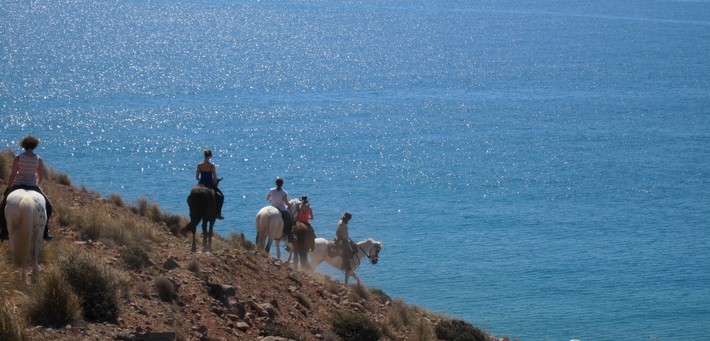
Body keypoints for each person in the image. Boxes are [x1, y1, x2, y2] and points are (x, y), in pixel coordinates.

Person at [0, 135, 53, 241]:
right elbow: (41, 176)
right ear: (34, 146)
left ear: (23, 145)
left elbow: (13, 175)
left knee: (2, 208)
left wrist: (8, 188)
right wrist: (35, 183)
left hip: (18, 184)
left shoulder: (18, 158)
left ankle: (4, 232)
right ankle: (45, 232)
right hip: (33, 185)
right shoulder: (38, 159)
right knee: (48, 207)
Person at [195, 149, 224, 219]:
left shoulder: (199, 165)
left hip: (201, 184)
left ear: (204, 156)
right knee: (221, 196)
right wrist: (215, 182)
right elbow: (214, 178)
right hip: (209, 184)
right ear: (210, 156)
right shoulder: (212, 166)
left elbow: (197, 177)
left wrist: (200, 180)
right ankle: (218, 213)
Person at [266, 177, 293, 241]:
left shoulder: (271, 190)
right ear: (282, 184)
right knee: (289, 219)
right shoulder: (284, 192)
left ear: (276, 183)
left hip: (272, 207)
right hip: (281, 209)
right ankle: (289, 235)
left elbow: (267, 198)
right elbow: (286, 203)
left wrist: (272, 200)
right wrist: (290, 204)